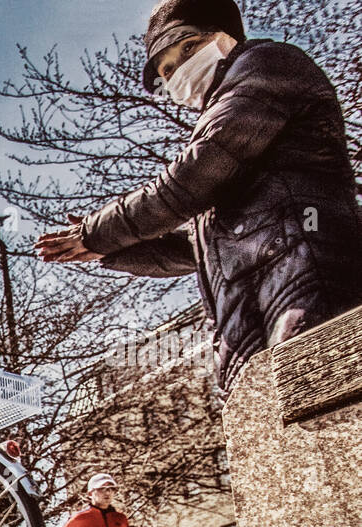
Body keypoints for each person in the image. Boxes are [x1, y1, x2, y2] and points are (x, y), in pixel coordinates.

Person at [36, 0, 362, 400]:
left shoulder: (268, 66)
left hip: (307, 291)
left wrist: (98, 232)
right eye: (166, 71)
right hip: (247, 334)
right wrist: (107, 253)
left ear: (225, 37)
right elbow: (200, 249)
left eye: (188, 48)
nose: (178, 73)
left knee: (328, 426)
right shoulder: (224, 127)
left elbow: (189, 179)